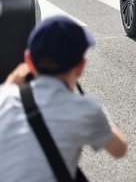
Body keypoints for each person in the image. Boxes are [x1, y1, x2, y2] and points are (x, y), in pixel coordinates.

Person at [0, 16, 128, 181]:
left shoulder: (4, 97)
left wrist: (10, 83)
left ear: (28, 61)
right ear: (81, 67)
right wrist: (98, 114)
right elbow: (119, 149)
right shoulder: (86, 109)